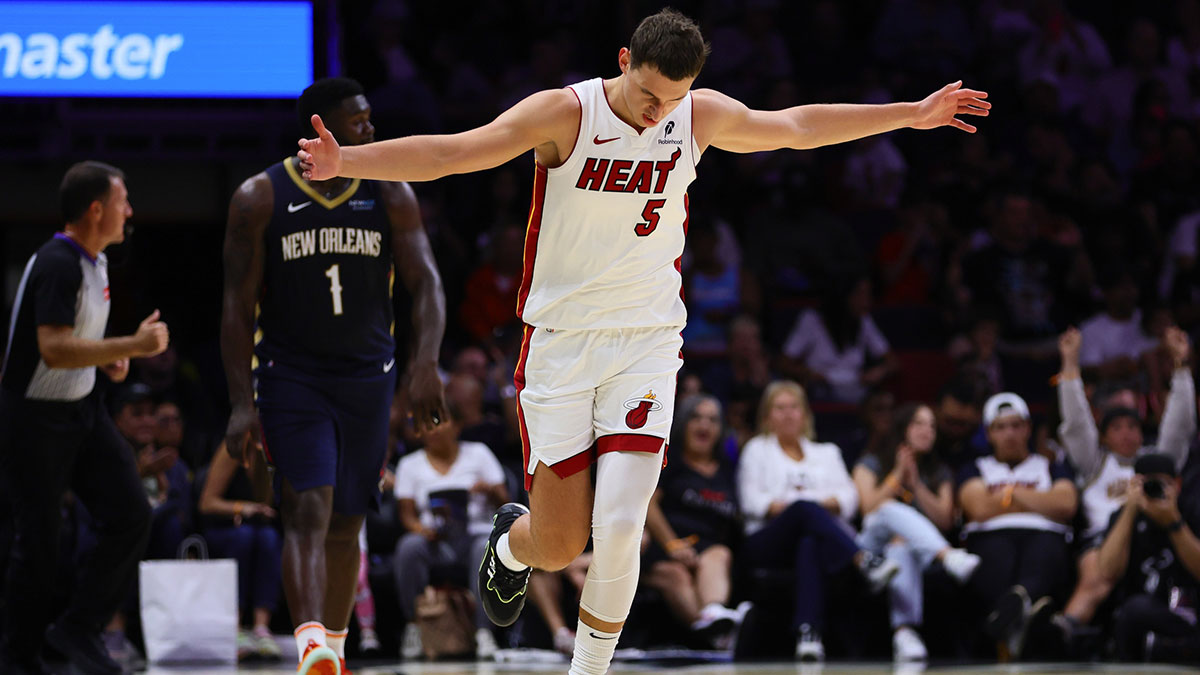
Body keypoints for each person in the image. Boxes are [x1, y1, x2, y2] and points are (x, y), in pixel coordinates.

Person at [297, 9, 988, 674]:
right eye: (649, 94)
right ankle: (512, 545)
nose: (659, 113)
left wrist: (909, 113)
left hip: (647, 343)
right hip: (563, 344)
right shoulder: (566, 114)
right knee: (562, 542)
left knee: (622, 524)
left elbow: (798, 126)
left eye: (674, 100)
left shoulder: (695, 114)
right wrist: (349, 161)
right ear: (623, 62)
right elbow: (456, 152)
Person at [221, 77, 447, 675]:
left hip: (368, 377)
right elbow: (236, 308)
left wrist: (424, 363)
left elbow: (426, 283)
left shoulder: (389, 188)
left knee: (348, 517)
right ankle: (309, 643)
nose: (370, 130)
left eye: (371, 119)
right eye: (359, 122)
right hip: (291, 375)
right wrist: (240, 403)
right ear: (319, 127)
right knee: (307, 506)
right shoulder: (259, 197)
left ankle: (335, 654)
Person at [0, 160, 169, 675]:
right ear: (97, 209)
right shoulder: (56, 261)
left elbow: (75, 342)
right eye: (123, 202)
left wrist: (109, 356)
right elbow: (51, 348)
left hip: (82, 411)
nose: (130, 211)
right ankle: (19, 659)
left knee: (132, 514)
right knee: (41, 544)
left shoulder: (94, 262)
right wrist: (135, 345)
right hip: (34, 419)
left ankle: (79, 626)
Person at [737, 381, 901, 661]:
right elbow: (753, 503)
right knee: (803, 509)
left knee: (809, 540)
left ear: (805, 415)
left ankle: (808, 634)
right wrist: (814, 503)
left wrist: (799, 503)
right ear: (767, 416)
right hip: (767, 541)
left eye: (794, 408)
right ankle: (862, 560)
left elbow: (849, 501)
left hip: (816, 542)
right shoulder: (757, 450)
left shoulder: (827, 452)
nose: (788, 414)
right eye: (780, 408)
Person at [1054, 326, 1195, 645]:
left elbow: (1179, 427)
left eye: (1133, 426)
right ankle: (1065, 629)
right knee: (1097, 577)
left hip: (1152, 537)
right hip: (1103, 541)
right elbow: (1076, 423)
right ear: (1103, 436)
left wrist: (1181, 368)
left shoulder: (1152, 460)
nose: (1127, 433)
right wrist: (1070, 365)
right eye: (1116, 427)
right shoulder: (1095, 461)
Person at [851, 403, 981, 661]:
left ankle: (904, 633)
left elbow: (945, 520)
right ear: (903, 428)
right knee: (888, 508)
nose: (927, 431)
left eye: (932, 426)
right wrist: (898, 474)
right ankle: (948, 556)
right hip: (869, 552)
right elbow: (868, 509)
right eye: (919, 424)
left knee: (902, 545)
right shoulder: (871, 462)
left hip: (914, 554)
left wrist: (916, 485)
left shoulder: (938, 471)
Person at [958, 392, 1077, 661]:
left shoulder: (1051, 466)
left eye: (1016, 425)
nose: (1009, 434)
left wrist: (1008, 494)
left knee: (1044, 550)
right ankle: (1022, 612)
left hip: (1046, 538)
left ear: (1027, 428)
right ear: (988, 433)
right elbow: (977, 507)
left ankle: (1013, 609)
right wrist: (1040, 501)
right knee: (998, 555)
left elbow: (1066, 503)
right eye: (1000, 427)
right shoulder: (975, 468)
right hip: (989, 540)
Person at [391, 392, 508, 660]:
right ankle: (414, 626)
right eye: (427, 423)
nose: (433, 429)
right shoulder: (410, 465)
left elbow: (506, 500)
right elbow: (407, 515)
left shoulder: (478, 453)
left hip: (472, 536)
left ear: (457, 425)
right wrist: (422, 530)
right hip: (434, 539)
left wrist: (489, 490)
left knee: (484, 547)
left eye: (439, 420)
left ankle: (483, 632)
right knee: (409, 546)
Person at [643, 394, 746, 648]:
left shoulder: (726, 471)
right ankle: (718, 637)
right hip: (663, 547)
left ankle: (712, 614)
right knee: (676, 574)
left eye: (712, 420)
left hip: (707, 550)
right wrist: (673, 545)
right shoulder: (670, 462)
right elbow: (649, 505)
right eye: (696, 418)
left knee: (720, 554)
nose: (704, 425)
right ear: (684, 424)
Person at [1098, 454, 1200, 661]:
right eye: (1146, 484)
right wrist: (1130, 509)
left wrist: (1174, 523)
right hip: (1134, 617)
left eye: (1162, 483)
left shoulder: (1190, 511)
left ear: (1178, 484)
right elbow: (1107, 571)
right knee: (1134, 610)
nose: (1154, 490)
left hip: (1186, 618)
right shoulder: (1123, 517)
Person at [197, 441, 285, 662]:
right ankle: (235, 627)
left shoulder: (271, 451)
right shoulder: (232, 448)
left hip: (255, 530)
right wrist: (242, 508)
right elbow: (207, 503)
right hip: (221, 529)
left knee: (269, 537)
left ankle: (261, 627)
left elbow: (268, 503)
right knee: (244, 538)